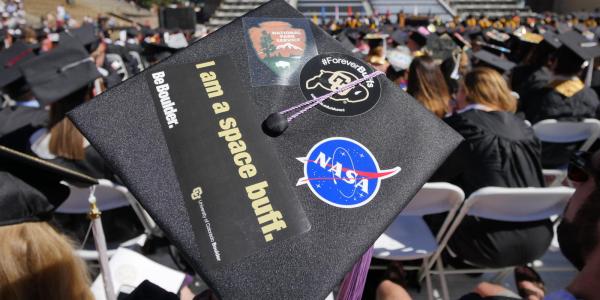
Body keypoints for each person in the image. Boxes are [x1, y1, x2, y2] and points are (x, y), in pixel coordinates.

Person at [377, 149, 600, 300]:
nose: (574, 182)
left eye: (583, 170)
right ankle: (533, 296)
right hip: (534, 243)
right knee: (487, 289)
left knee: (387, 289)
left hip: (477, 247)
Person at [429, 67, 550, 269]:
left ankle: (406, 270)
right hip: (538, 239)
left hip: (483, 243)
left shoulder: (462, 126)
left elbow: (434, 178)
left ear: (466, 92)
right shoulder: (525, 128)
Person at [522, 31, 600, 168]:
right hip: (570, 160)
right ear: (581, 68)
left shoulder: (537, 93)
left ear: (554, 63)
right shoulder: (591, 96)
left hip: (534, 158)